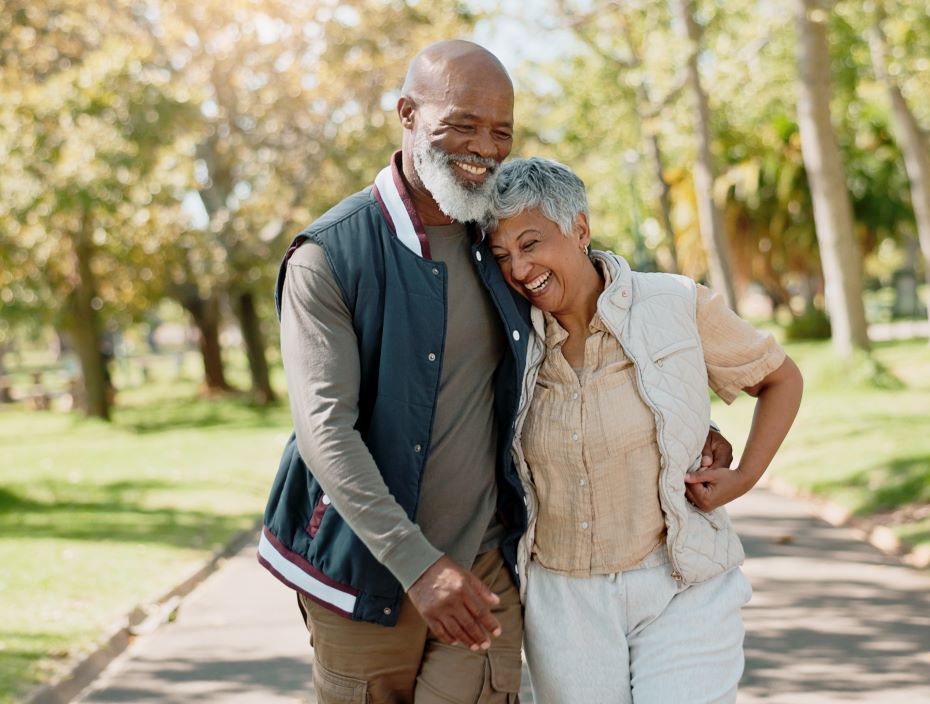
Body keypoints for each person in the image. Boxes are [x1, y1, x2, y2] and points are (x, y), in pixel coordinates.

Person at [258, 40, 733, 704]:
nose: (484, 148)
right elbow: (325, 433)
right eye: (462, 126)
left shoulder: (503, 242)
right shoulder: (329, 257)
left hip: (486, 566)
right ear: (407, 113)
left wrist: (683, 418)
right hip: (366, 568)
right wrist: (419, 568)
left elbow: (594, 312)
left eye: (500, 132)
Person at [486, 157, 804, 704]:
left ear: (579, 229)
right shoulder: (507, 338)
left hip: (681, 582)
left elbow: (779, 378)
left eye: (531, 243)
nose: (518, 268)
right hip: (564, 597)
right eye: (502, 256)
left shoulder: (675, 303)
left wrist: (746, 475)